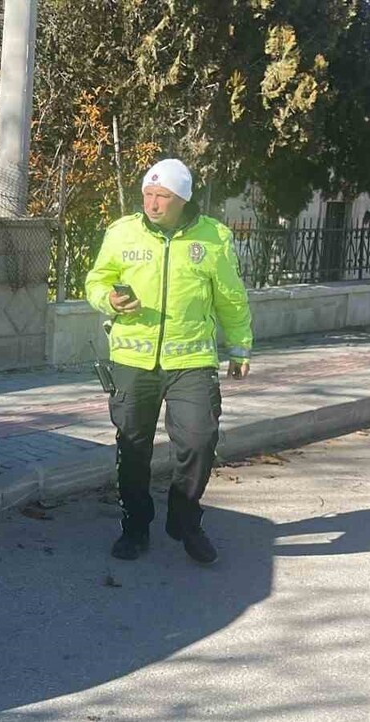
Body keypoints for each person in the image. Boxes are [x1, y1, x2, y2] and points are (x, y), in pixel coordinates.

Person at [85, 158, 253, 564]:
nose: (153, 204)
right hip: (132, 359)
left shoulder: (214, 237)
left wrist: (240, 346)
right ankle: (135, 527)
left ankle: (185, 520)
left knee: (199, 440)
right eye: (148, 194)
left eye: (162, 197)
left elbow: (230, 297)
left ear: (183, 199)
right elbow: (96, 279)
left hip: (191, 359)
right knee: (133, 447)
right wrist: (108, 298)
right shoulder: (121, 232)